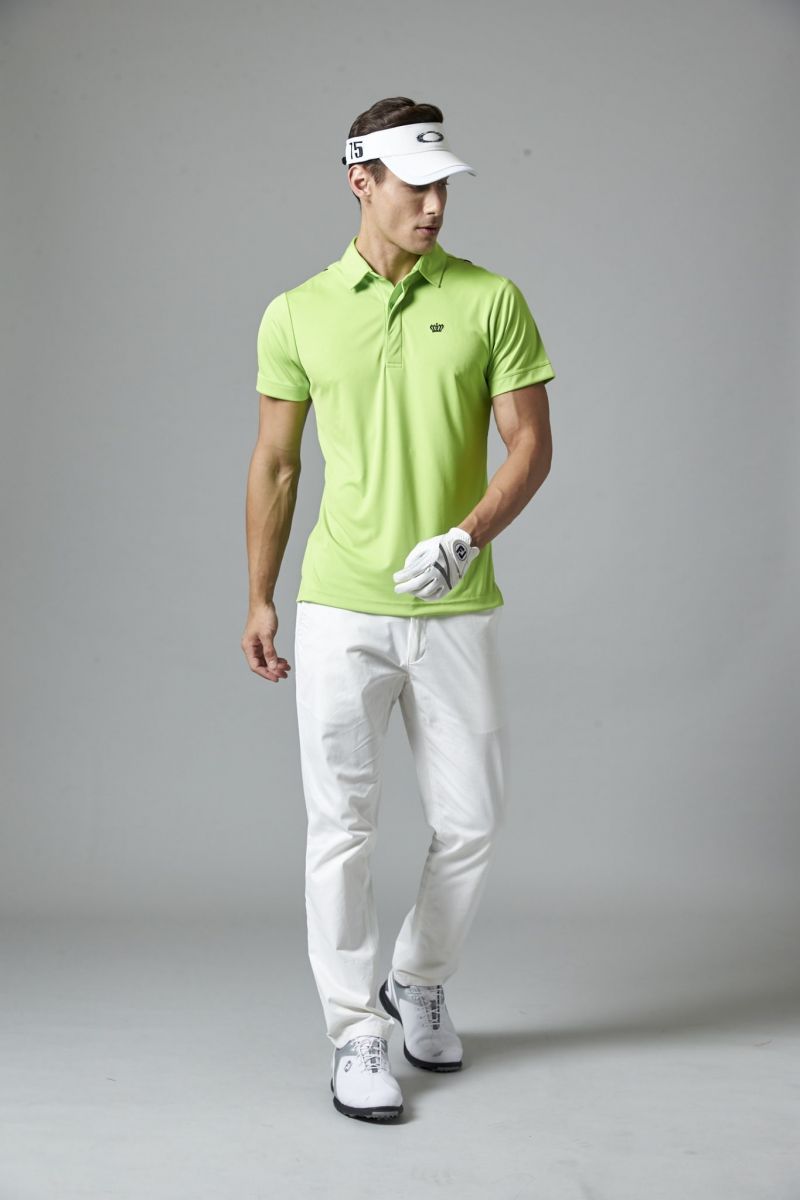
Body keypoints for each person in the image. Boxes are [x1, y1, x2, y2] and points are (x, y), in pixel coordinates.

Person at [242, 96, 555, 1122]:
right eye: (414, 185)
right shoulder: (296, 312)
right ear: (360, 180)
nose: (433, 205)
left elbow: (529, 443)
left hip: (455, 605)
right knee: (341, 827)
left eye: (443, 187)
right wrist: (259, 596)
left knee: (472, 820)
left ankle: (416, 979)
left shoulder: (490, 299)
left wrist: (467, 536)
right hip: (339, 607)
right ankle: (353, 1033)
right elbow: (277, 464)